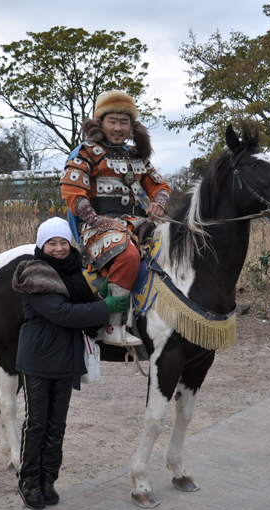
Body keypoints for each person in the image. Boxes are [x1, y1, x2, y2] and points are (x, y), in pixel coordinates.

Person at [12, 217, 129, 510]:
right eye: (52, 243)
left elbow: (82, 309)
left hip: (65, 357)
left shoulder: (75, 274)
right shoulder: (35, 274)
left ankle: (48, 481)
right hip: (38, 359)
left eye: (63, 242)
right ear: (42, 245)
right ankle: (28, 481)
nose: (59, 248)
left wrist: (99, 299)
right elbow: (64, 313)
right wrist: (104, 307)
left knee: (57, 425)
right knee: (36, 424)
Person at [60, 90, 171, 347]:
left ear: (132, 126)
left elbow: (160, 186)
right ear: (101, 123)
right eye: (113, 121)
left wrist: (158, 203)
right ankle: (112, 324)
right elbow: (73, 192)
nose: (118, 128)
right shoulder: (86, 153)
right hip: (96, 228)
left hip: (137, 225)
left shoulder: (137, 156)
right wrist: (99, 221)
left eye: (124, 122)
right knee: (128, 254)